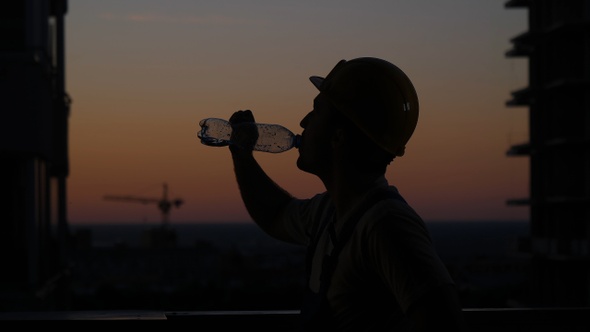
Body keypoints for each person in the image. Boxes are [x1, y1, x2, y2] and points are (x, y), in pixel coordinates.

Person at [226, 57, 467, 331]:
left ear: (338, 137)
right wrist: (242, 156)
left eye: (316, 111)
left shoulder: (387, 226)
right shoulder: (330, 212)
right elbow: (276, 214)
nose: (303, 121)